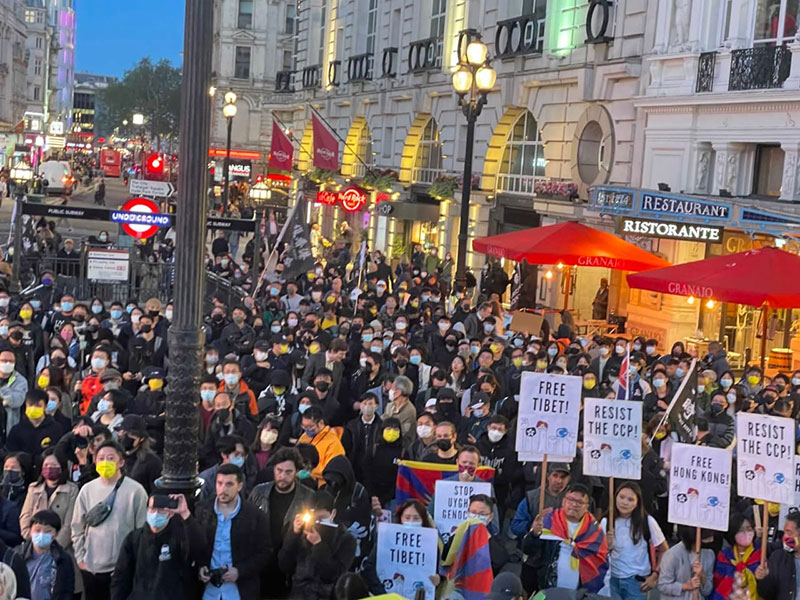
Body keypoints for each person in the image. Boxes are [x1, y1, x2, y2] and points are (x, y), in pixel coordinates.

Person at [71, 440, 148, 600]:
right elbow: (77, 527)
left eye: (110, 458)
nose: (105, 462)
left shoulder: (136, 491)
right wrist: (81, 559)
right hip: (92, 568)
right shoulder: (87, 490)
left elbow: (142, 532)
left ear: (121, 462)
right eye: (101, 458)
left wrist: (131, 565)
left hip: (121, 570)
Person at [196, 463, 271, 600]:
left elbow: (264, 553)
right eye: (219, 483)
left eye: (229, 484)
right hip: (208, 591)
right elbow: (196, 546)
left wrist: (240, 571)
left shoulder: (255, 516)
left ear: (240, 486)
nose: (223, 489)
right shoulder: (202, 511)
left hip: (240, 591)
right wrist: (201, 567)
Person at [111, 493, 204, 600]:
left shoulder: (180, 538)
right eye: (152, 509)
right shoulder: (134, 539)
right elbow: (121, 577)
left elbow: (199, 550)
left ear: (170, 513)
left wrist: (185, 514)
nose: (156, 514)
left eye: (161, 510)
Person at [249, 447, 314, 598]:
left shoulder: (307, 497)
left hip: (289, 567)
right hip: (261, 563)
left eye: (288, 472)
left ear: (296, 472)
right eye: (279, 470)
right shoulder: (259, 492)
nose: (282, 476)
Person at [523, 483, 608, 593]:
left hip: (579, 592)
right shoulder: (549, 521)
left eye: (580, 502)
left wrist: (608, 547)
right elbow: (527, 550)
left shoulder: (594, 530)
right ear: (563, 501)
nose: (574, 504)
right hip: (549, 589)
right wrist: (534, 533)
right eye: (570, 499)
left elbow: (600, 562)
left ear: (587, 507)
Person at [278, 489, 357, 599]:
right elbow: (284, 564)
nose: (317, 523)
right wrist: (293, 535)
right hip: (298, 593)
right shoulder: (300, 532)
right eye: (314, 518)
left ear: (333, 513)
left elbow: (335, 574)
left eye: (321, 518)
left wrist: (318, 545)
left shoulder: (346, 539)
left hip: (327, 595)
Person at [601, 481, 668, 600]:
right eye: (621, 497)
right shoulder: (606, 522)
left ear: (637, 502)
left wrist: (655, 575)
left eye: (630, 499)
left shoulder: (647, 521)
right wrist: (607, 546)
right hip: (611, 580)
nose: (624, 502)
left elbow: (664, 550)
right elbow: (598, 554)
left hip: (636, 582)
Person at [19, 449, 79, 550]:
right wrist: (32, 540)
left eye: (54, 465)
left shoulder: (72, 490)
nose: (49, 468)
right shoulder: (33, 488)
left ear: (61, 467)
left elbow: (69, 524)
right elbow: (25, 516)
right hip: (33, 546)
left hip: (60, 548)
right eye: (46, 465)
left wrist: (55, 547)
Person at [21, 509, 75, 600]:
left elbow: (67, 591)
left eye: (48, 531)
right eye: (37, 530)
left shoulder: (63, 560)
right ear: (30, 531)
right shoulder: (18, 555)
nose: (42, 534)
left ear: (56, 534)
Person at [712, 512, 762, 600]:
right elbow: (718, 582)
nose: (746, 533)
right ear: (733, 533)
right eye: (741, 530)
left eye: (749, 529)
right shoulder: (725, 556)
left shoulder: (760, 554)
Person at [658, 525, 714, 600]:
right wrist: (686, 586)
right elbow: (663, 585)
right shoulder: (672, 555)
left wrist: (702, 575)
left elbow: (707, 591)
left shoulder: (709, 554)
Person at [756, 510, 800, 599]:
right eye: (784, 532)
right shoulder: (777, 558)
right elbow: (766, 594)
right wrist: (764, 578)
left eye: (789, 532)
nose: (785, 537)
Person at [297, 406, 345, 485]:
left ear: (321, 423)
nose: (307, 430)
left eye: (310, 426)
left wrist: (310, 472)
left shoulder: (333, 442)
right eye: (304, 426)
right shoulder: (304, 437)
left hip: (320, 486)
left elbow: (332, 470)